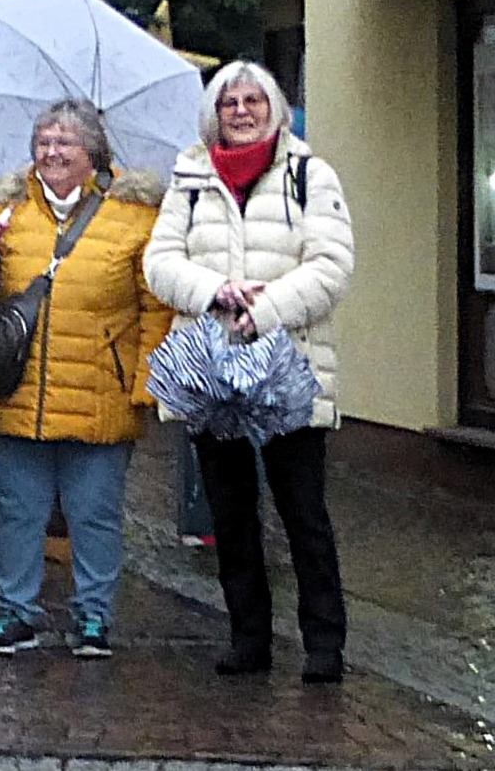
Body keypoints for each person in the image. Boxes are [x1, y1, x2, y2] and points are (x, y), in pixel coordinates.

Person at [143, 61, 355, 684]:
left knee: (303, 513)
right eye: (229, 101)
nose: (241, 110)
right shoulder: (187, 179)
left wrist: (260, 311)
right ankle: (248, 637)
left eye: (252, 100)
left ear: (275, 109)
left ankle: (323, 645)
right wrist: (216, 292)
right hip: (212, 367)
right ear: (215, 113)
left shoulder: (310, 175)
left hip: (290, 365)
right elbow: (160, 264)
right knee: (229, 514)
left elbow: (332, 266)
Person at [0, 100, 172, 659]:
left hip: (99, 394)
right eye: (43, 141)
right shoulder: (8, 209)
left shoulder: (136, 216)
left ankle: (93, 616)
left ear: (93, 154)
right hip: (22, 392)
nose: (52, 152)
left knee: (95, 515)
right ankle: (16, 613)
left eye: (65, 143)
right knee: (17, 510)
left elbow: (154, 307)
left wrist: (145, 385)